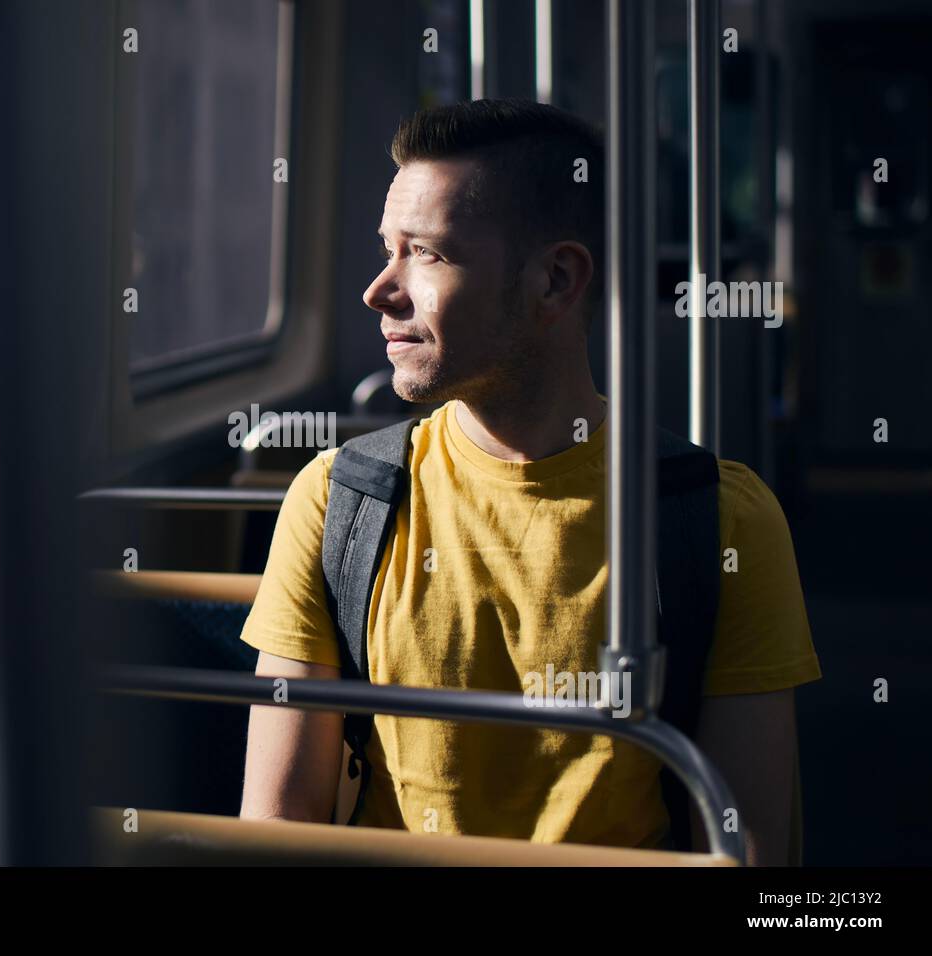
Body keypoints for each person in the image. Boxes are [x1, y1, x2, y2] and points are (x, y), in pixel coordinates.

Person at [237, 98, 820, 865]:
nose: (381, 291)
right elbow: (278, 827)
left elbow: (746, 852)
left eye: (427, 254)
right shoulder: (340, 502)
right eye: (388, 250)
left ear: (555, 280)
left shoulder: (720, 523)